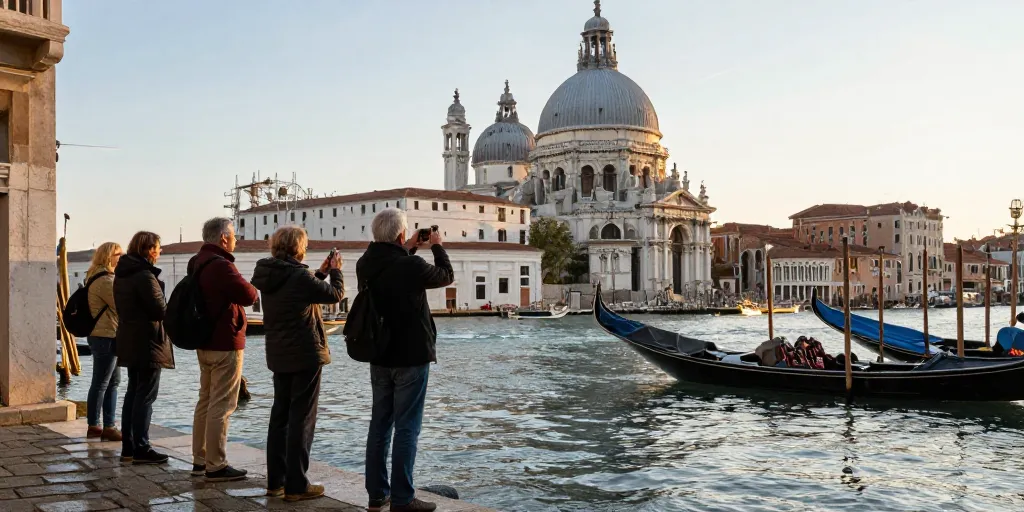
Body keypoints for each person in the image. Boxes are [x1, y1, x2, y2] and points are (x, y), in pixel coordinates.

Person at [357, 208, 454, 512]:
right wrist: (436, 244)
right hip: (411, 355)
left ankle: (377, 495)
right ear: (400, 234)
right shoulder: (410, 265)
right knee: (407, 428)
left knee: (380, 426)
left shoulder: (365, 263)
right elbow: (445, 276)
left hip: (379, 354)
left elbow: (390, 264)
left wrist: (407, 245)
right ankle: (402, 499)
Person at [250, 226, 344, 502]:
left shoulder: (270, 274)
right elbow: (334, 294)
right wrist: (336, 270)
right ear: (297, 247)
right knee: (302, 419)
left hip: (279, 353)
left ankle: (276, 482)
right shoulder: (298, 276)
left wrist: (321, 272)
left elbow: (301, 288)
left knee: (280, 417)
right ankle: (297, 485)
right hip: (305, 353)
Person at [189, 218, 259, 482]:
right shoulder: (221, 265)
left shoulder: (197, 261)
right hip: (224, 341)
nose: (236, 240)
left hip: (204, 340)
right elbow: (249, 295)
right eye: (233, 235)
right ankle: (216, 464)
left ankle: (200, 458)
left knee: (205, 399)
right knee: (223, 403)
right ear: (222, 238)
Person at [114, 231, 173, 465]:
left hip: (130, 339)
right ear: (149, 250)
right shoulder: (144, 276)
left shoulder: (123, 274)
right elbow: (161, 310)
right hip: (148, 341)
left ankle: (128, 446)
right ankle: (141, 447)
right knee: (145, 395)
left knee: (133, 393)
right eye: (158, 247)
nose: (160, 252)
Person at [85, 242, 123, 441]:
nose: (121, 257)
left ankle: (107, 425)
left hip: (104, 334)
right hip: (105, 335)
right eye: (119, 254)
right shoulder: (106, 280)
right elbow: (119, 305)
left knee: (111, 382)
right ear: (110, 256)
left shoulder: (95, 275)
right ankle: (96, 425)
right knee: (103, 382)